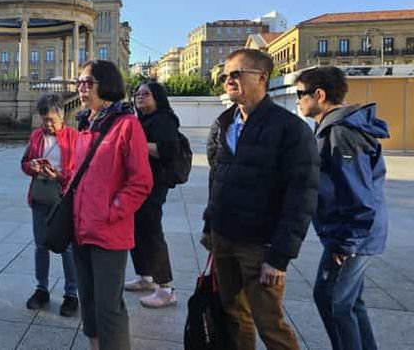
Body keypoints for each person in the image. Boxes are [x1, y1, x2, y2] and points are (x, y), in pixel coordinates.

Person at [202, 49, 319, 350]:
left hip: (259, 246)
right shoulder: (224, 123)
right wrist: (209, 226)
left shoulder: (290, 129)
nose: (228, 80)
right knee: (233, 315)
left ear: (262, 77)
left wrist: (279, 257)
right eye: (225, 75)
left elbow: (302, 196)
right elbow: (217, 179)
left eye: (236, 74)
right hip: (223, 237)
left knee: (270, 325)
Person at [296, 67, 388, 350]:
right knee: (349, 301)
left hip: (352, 235)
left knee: (331, 300)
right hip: (355, 232)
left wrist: (345, 242)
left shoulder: (341, 132)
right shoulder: (336, 128)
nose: (298, 101)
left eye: (300, 94)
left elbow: (356, 192)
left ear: (319, 95)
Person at [71, 60, 153, 350]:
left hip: (108, 232)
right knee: (89, 301)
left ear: (105, 84)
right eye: (79, 82)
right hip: (80, 228)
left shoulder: (126, 124)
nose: (82, 88)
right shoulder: (85, 123)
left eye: (88, 82)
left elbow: (141, 181)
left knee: (109, 306)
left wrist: (112, 211)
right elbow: (80, 173)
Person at [20, 93, 79, 317]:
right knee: (41, 245)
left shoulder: (73, 137)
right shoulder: (36, 136)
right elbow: (24, 164)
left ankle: (71, 294)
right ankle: (41, 289)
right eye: (44, 120)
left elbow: (78, 171)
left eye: (51, 120)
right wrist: (33, 166)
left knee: (67, 249)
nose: (47, 124)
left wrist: (60, 176)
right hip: (40, 197)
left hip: (63, 200)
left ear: (62, 117)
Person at [124, 81, 180, 308]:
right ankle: (145, 276)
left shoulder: (164, 119)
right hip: (138, 182)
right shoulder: (142, 120)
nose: (139, 97)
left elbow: (168, 150)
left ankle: (166, 287)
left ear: (158, 97)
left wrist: (137, 144)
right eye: (137, 94)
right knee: (137, 228)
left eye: (145, 94)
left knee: (151, 230)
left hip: (155, 183)